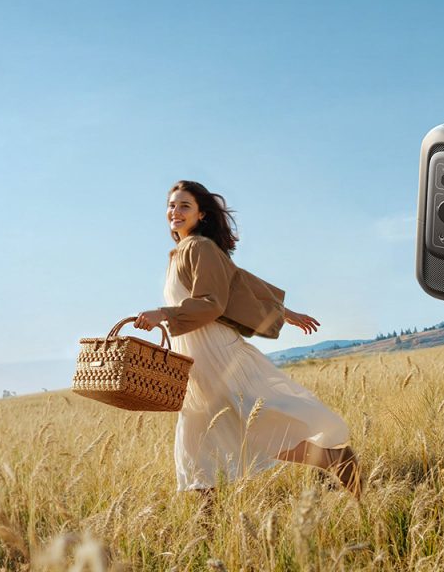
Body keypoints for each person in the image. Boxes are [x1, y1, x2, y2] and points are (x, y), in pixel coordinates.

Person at [133, 180, 361, 497]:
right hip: (198, 364)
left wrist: (164, 314)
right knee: (198, 442)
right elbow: (239, 280)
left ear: (201, 215)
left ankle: (334, 458)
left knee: (258, 429)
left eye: (185, 205)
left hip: (217, 356)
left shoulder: (199, 248)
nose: (175, 211)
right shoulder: (182, 253)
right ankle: (207, 534)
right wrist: (282, 310)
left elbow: (214, 302)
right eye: (171, 205)